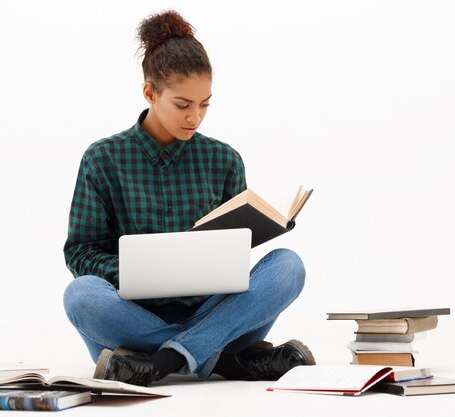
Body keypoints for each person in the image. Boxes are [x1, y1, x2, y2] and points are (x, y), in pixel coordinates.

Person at [62, 10, 314, 387]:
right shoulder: (102, 159)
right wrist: (136, 273)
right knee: (80, 296)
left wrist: (263, 231)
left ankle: (162, 362)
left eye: (205, 104)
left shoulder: (224, 159)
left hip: (213, 311)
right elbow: (80, 252)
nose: (195, 117)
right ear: (150, 93)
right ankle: (224, 360)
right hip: (133, 317)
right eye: (183, 104)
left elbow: (233, 257)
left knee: (288, 266)